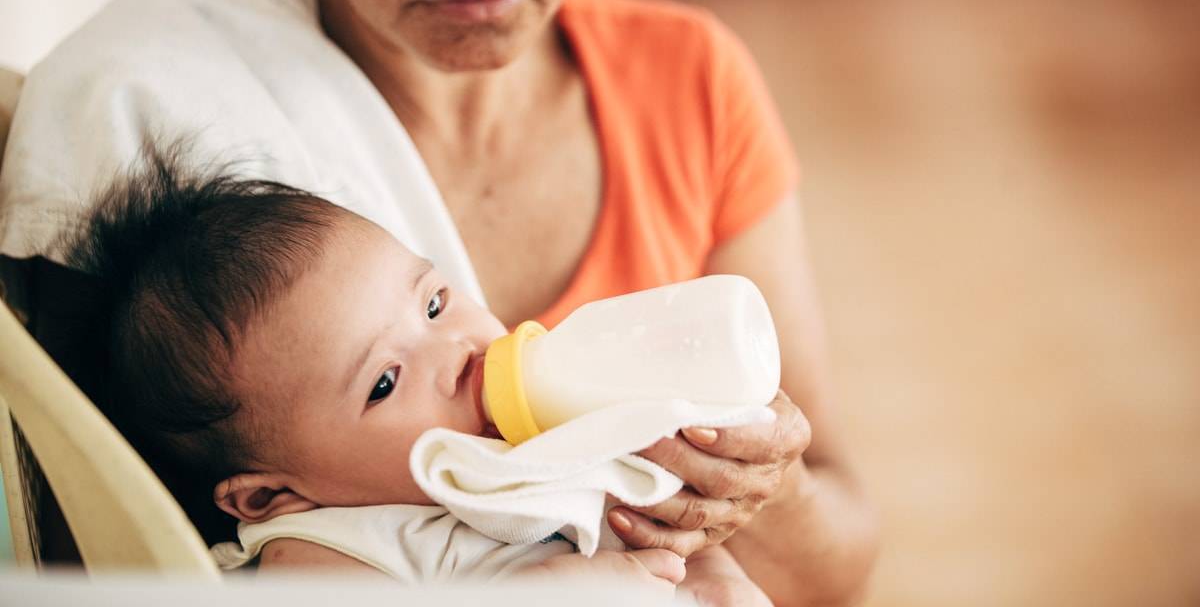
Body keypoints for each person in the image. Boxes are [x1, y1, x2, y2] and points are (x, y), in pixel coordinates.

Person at [0, 0, 877, 603]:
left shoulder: (692, 84)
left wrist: (756, 488)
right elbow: (107, 571)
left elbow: (836, 567)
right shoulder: (149, 110)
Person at [61, 145, 770, 605]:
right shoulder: (323, 557)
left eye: (433, 302)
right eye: (383, 383)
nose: (455, 351)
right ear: (271, 495)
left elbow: (669, 538)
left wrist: (719, 580)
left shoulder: (551, 435)